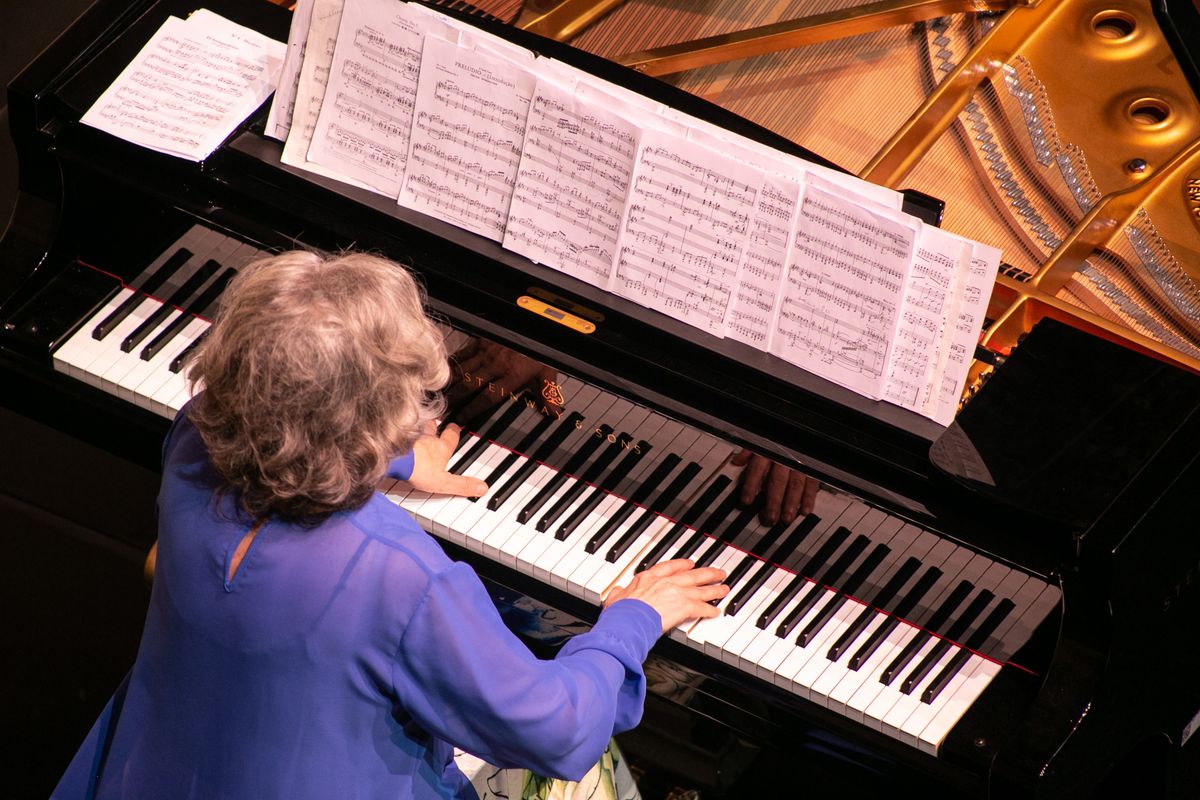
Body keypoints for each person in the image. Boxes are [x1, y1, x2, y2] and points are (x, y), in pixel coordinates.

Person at [51, 251, 728, 800]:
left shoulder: (193, 439)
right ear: (374, 417)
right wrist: (631, 620)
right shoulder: (399, 574)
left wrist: (390, 458)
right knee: (595, 774)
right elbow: (557, 732)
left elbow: (281, 417)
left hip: (156, 771)